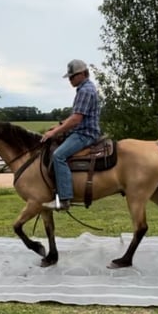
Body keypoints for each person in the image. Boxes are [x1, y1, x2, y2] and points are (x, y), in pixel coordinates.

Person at [40, 59, 101, 211]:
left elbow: (76, 119)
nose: (70, 79)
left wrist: (54, 132)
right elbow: (74, 116)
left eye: (72, 76)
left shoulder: (85, 91)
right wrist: (59, 126)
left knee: (58, 155)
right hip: (80, 131)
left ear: (82, 74)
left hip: (85, 134)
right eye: (69, 77)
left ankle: (65, 199)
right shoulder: (85, 89)